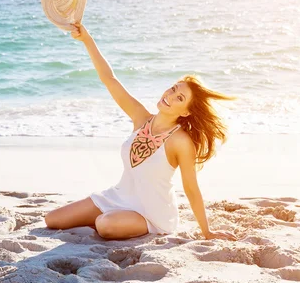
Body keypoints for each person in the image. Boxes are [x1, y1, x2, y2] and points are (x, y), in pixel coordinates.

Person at [44, 23, 237, 241]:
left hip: (151, 212)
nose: (170, 96)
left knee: (105, 225)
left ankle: (120, 221)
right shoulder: (141, 118)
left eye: (179, 98)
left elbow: (191, 188)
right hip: (117, 197)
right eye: (173, 89)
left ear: (185, 113)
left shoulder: (180, 142)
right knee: (52, 219)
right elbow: (110, 79)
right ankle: (111, 216)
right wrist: (87, 40)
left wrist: (207, 231)